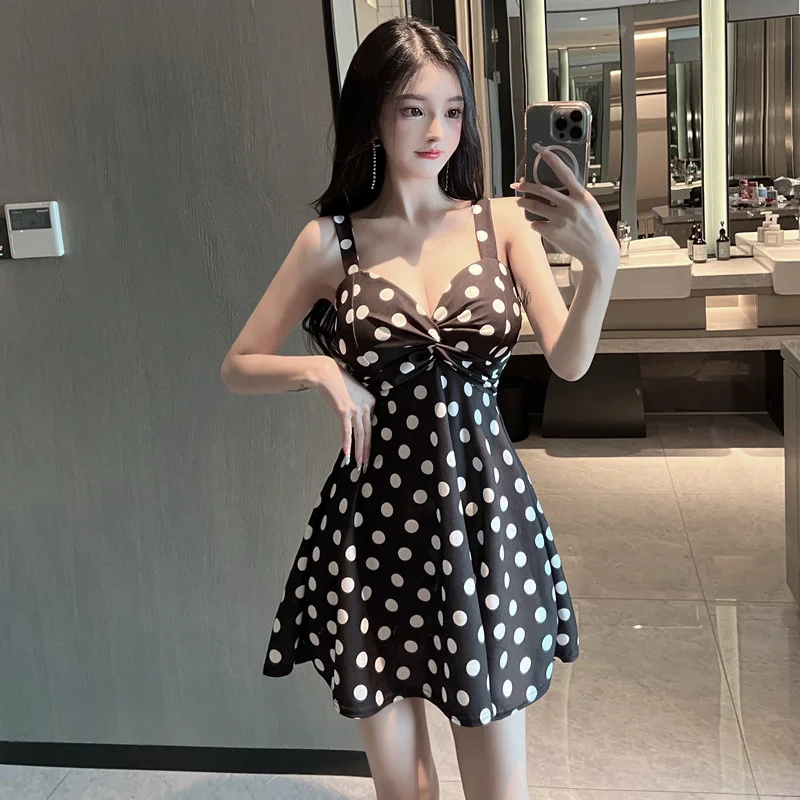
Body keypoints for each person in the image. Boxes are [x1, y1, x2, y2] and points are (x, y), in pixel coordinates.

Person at [220, 17, 618, 800]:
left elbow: (569, 361)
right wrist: (321, 372)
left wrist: (601, 267)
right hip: (373, 526)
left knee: (499, 790)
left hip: (485, 521)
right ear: (373, 114)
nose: (438, 132)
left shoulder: (502, 223)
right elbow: (239, 366)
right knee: (405, 791)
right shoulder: (329, 243)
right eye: (413, 110)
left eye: (453, 111)